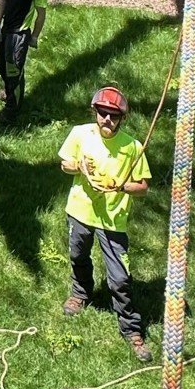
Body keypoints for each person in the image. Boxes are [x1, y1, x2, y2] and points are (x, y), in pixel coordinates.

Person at [59, 85, 153, 361]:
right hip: (80, 210)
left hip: (113, 220)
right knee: (78, 255)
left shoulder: (132, 147)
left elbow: (144, 187)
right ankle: (80, 293)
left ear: (122, 118)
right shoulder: (80, 134)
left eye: (113, 115)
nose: (106, 120)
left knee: (120, 279)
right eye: (102, 113)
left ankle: (132, 330)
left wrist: (121, 186)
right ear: (95, 112)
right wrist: (81, 168)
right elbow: (64, 163)